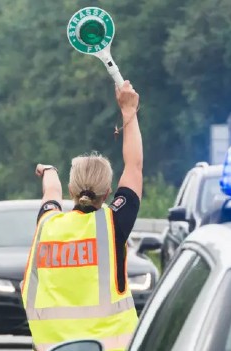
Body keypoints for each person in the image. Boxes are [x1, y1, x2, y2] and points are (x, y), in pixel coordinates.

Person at [21, 80, 143, 351]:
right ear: (109, 191)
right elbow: (134, 166)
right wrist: (128, 112)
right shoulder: (112, 225)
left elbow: (50, 193)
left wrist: (50, 169)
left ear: (72, 190)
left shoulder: (48, 224)